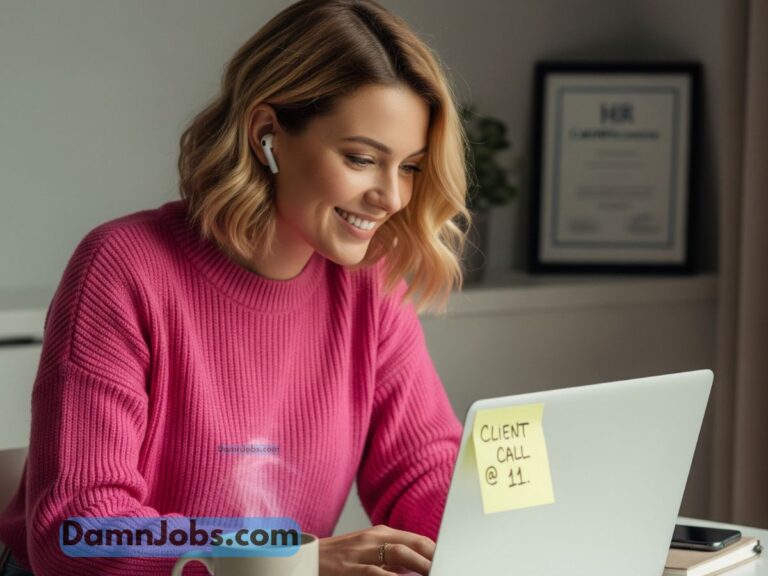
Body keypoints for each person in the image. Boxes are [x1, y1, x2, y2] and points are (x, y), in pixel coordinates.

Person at [0, 0, 471, 574]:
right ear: (267, 133)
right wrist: (286, 559)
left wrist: (491, 527)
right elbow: (78, 527)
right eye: (362, 158)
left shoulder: (370, 287)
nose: (392, 197)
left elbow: (423, 473)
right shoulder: (123, 268)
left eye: (410, 167)